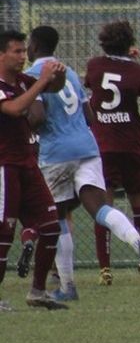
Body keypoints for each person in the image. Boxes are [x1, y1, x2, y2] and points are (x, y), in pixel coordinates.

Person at [24, 26, 140, 300]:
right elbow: (89, 114)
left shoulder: (32, 76)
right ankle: (138, 242)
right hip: (88, 147)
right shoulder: (70, 72)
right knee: (99, 208)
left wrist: (23, 124)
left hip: (56, 153)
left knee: (58, 217)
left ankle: (67, 287)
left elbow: (37, 117)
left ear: (35, 46)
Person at [85, 20, 140, 285]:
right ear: (130, 43)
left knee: (104, 206)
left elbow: (103, 82)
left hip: (102, 146)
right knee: (139, 202)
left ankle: (105, 268)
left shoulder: (94, 66)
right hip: (131, 146)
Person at [0, 28, 69, 310]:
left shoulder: (22, 81)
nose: (21, 56)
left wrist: (58, 74)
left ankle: (37, 292)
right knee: (4, 235)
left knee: (51, 226)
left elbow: (54, 87)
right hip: (5, 168)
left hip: (29, 164)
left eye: (22, 50)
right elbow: (15, 109)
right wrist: (41, 82)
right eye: (16, 51)